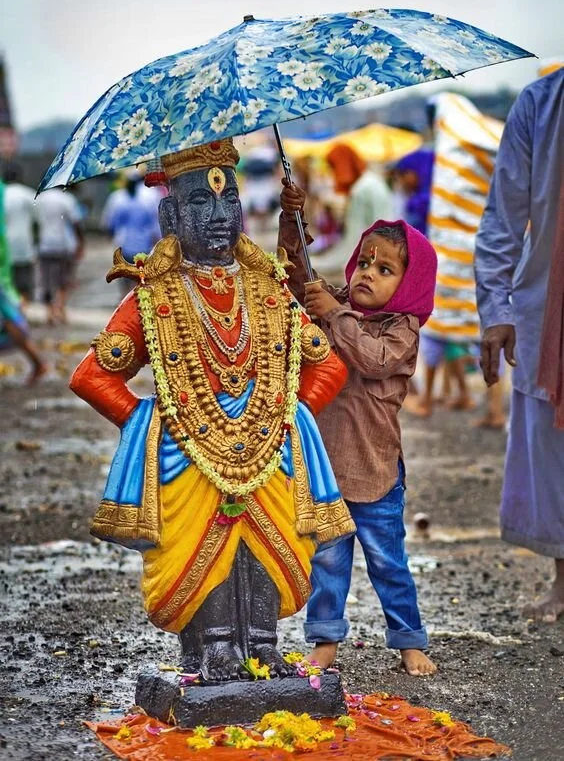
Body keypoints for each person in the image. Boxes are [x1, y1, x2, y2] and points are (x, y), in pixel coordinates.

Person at [69, 139, 355, 682]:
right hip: (189, 450)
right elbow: (91, 376)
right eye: (201, 201)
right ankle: (214, 646)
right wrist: (151, 424)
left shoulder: (269, 290)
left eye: (229, 200)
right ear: (170, 216)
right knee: (206, 542)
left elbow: (328, 368)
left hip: (269, 447)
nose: (220, 215)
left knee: (270, 544)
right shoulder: (153, 296)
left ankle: (264, 644)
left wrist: (289, 416)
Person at [279, 182, 438, 676]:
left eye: (385, 269)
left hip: (376, 472)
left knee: (388, 563)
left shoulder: (401, 330)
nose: (368, 272)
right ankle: (325, 639)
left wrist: (336, 315)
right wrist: (291, 222)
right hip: (327, 468)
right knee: (327, 561)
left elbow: (372, 361)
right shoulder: (337, 305)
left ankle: (409, 640)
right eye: (365, 262)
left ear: (409, 286)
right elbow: (295, 278)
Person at [475, 66, 564, 622]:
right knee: (554, 448)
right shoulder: (540, 104)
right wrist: (496, 309)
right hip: (549, 304)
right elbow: (503, 217)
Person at [405, 94, 505, 427]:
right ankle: (492, 408)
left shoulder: (452, 154)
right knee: (484, 337)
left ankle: (428, 401)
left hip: (451, 266)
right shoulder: (480, 146)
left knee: (437, 334)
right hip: (479, 261)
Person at [310, 143, 394, 278]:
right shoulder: (372, 181)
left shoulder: (361, 190)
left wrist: (316, 263)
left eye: (334, 167)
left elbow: (353, 242)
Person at [0, 177, 47, 384]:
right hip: (20, 250)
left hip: (6, 256)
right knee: (17, 298)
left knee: (10, 313)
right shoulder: (20, 193)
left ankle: (38, 363)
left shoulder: (4, 193)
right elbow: (39, 220)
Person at [102, 172, 161, 295]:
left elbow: (109, 222)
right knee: (141, 277)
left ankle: (126, 299)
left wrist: (110, 235)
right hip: (144, 245)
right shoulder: (150, 196)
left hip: (124, 244)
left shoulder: (117, 198)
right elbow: (155, 221)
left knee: (125, 277)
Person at [36, 186, 84, 324]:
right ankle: (61, 308)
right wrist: (81, 243)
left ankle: (49, 313)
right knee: (63, 280)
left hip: (44, 245)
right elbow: (76, 223)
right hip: (63, 245)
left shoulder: (39, 199)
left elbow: (35, 222)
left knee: (46, 280)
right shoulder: (67, 199)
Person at [2, 163, 37, 302]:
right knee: (24, 284)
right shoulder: (28, 194)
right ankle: (22, 308)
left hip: (4, 246)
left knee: (6, 283)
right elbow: (37, 220)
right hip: (24, 245)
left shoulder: (2, 194)